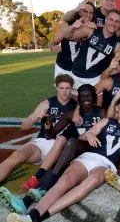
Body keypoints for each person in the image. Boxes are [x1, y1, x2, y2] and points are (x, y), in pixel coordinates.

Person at [6, 96, 120, 222]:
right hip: (89, 156)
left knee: (92, 180)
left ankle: (34, 220)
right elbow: (86, 135)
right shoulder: (106, 121)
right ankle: (29, 218)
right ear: (117, 108)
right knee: (65, 180)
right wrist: (90, 135)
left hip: (106, 164)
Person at [0, 84, 102, 214]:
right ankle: (25, 202)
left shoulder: (101, 113)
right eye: (82, 97)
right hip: (70, 153)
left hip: (86, 155)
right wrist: (48, 122)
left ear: (94, 97)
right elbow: (50, 134)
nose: (85, 99)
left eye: (88, 96)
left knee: (59, 168)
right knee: (57, 162)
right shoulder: (71, 114)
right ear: (79, 99)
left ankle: (32, 192)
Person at [0, 74, 76, 185]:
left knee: (54, 174)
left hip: (61, 147)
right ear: (56, 87)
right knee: (17, 155)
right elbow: (24, 126)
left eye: (67, 88)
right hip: (41, 143)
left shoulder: (76, 106)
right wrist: (35, 117)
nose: (64, 92)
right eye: (61, 88)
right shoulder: (46, 104)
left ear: (72, 88)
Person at [63, 9, 120, 93]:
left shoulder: (117, 46)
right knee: (73, 104)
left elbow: (117, 66)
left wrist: (109, 69)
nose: (113, 23)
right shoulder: (90, 30)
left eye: (117, 21)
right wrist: (73, 27)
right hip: (76, 76)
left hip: (95, 80)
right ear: (105, 19)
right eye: (111, 19)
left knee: (94, 105)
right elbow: (67, 36)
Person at [52, 1, 95, 78]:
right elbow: (53, 43)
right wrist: (54, 47)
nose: (88, 15)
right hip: (63, 68)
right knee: (63, 90)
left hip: (80, 72)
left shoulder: (93, 28)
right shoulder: (66, 25)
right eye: (85, 12)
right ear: (80, 12)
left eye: (91, 13)